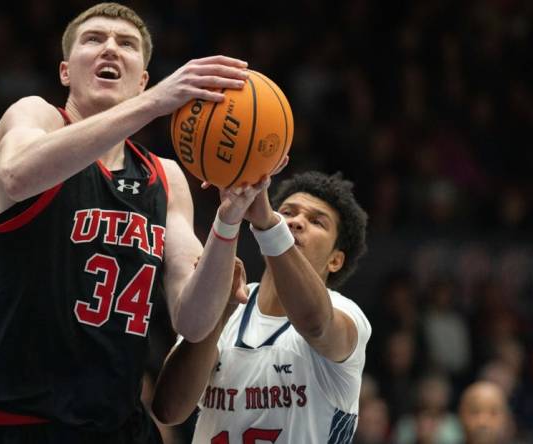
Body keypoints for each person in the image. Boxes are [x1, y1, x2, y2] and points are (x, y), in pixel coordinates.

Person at [0, 2, 264, 443]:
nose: (110, 49)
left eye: (126, 44)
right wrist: (155, 103)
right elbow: (18, 174)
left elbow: (194, 322)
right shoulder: (34, 116)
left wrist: (228, 221)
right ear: (65, 72)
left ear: (141, 78)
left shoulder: (165, 176)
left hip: (118, 424)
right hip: (19, 423)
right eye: (94, 39)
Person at [152, 171, 371, 444]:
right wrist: (219, 315)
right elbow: (169, 409)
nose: (296, 222)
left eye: (317, 221)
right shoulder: (227, 304)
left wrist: (269, 223)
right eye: (287, 212)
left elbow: (315, 323)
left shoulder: (348, 316)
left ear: (336, 260)